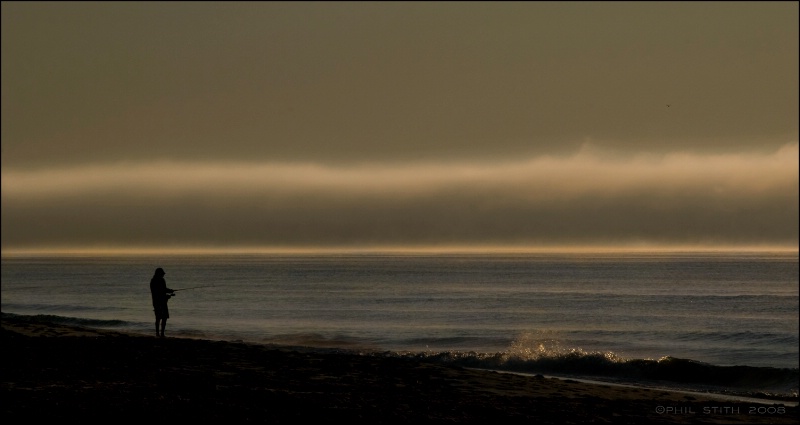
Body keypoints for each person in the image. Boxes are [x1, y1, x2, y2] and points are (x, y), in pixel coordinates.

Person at [149, 267, 175, 337]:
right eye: (162, 274)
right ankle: (158, 333)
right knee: (158, 317)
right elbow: (157, 292)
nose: (163, 275)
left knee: (164, 317)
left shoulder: (161, 280)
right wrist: (167, 296)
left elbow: (164, 289)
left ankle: (162, 333)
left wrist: (170, 291)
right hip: (157, 302)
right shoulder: (154, 281)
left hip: (163, 302)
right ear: (158, 273)